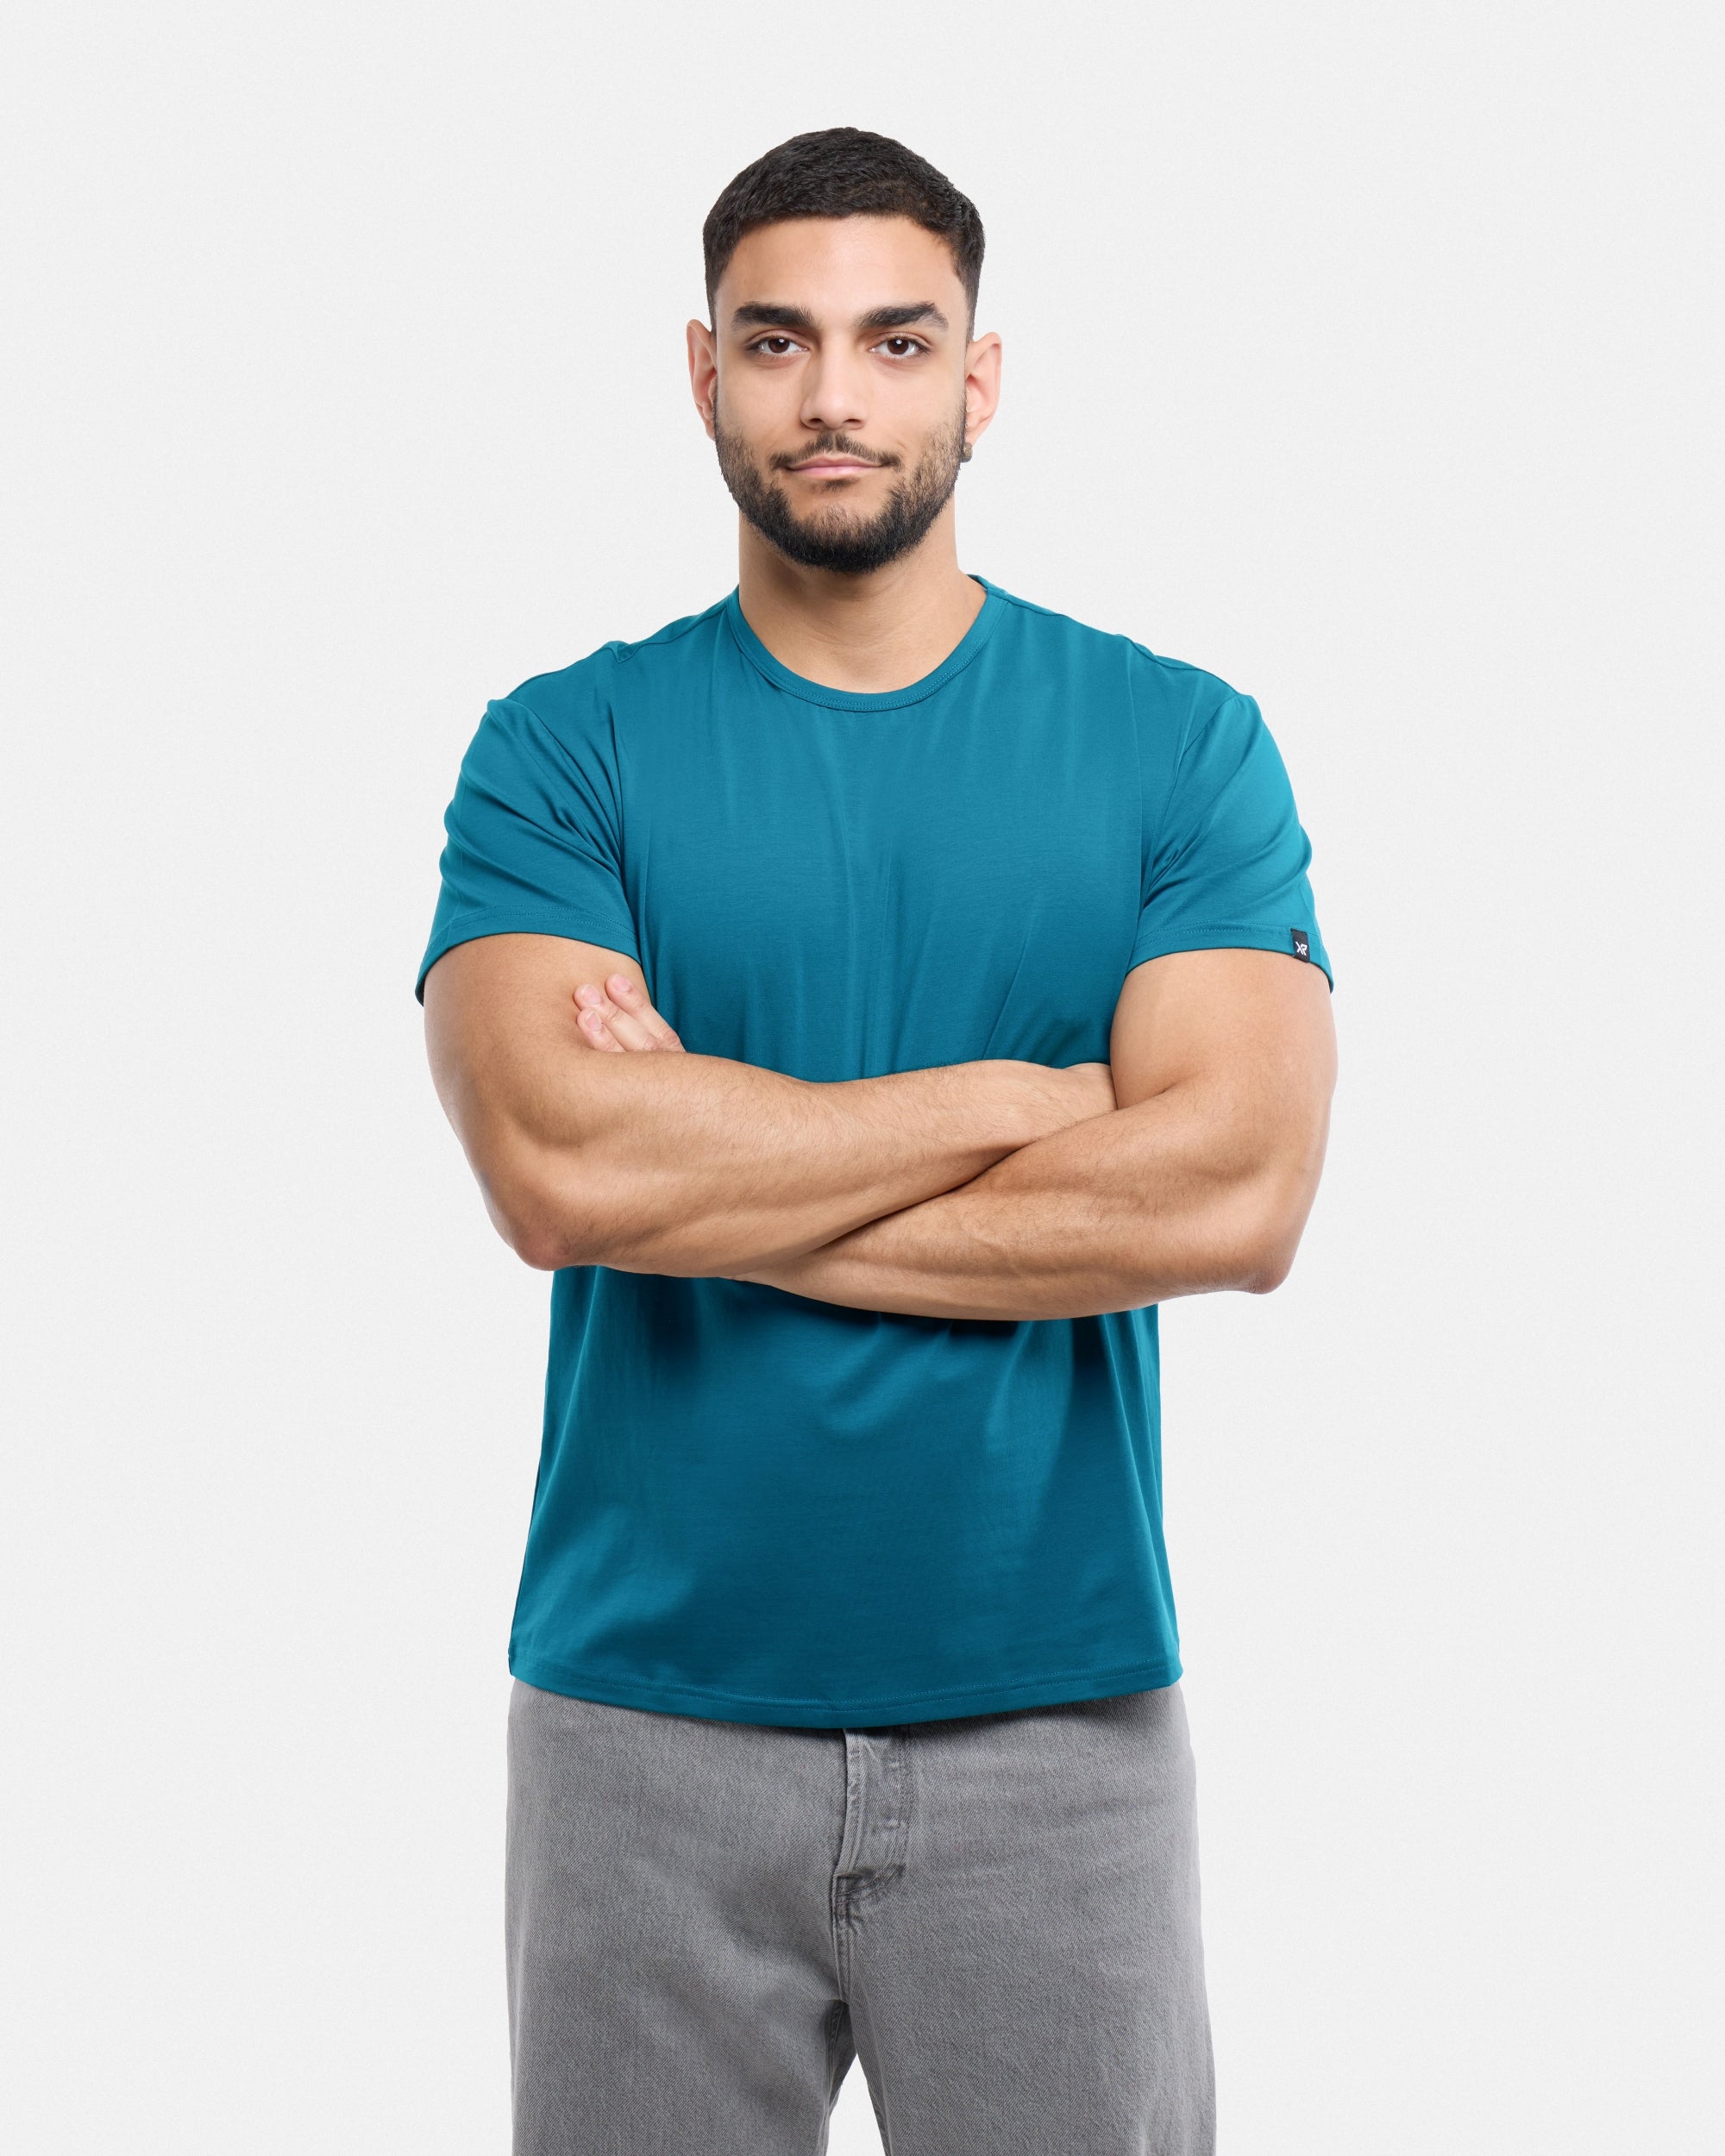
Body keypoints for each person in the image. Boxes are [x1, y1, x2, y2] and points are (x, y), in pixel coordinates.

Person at [417, 125, 1335, 2156]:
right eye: (778, 341)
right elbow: (558, 1173)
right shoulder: (566, 747)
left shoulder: (1176, 741)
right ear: (703, 371)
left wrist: (707, 1166)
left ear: (978, 379)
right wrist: (1029, 1098)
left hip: (1054, 1719)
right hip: (641, 1724)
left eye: (895, 340)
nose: (833, 393)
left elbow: (1239, 1185)